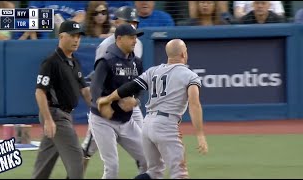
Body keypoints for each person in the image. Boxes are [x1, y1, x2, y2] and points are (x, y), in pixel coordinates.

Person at [97, 39, 209, 179]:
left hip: (147, 124)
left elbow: (129, 87)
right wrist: (200, 134)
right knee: (179, 173)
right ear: (183, 54)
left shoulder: (153, 71)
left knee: (154, 172)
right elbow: (195, 104)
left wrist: (107, 99)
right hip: (167, 125)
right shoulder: (190, 76)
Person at [81, 6, 145, 174]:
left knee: (147, 153)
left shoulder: (137, 49)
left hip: (127, 111)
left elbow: (138, 82)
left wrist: (135, 99)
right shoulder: (106, 50)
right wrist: (102, 103)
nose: (134, 29)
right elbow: (98, 81)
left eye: (135, 23)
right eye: (129, 23)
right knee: (91, 150)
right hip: (105, 111)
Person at [32, 20, 91, 179]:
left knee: (44, 163)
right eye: (72, 36)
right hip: (55, 115)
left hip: (63, 115)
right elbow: (40, 92)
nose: (76, 40)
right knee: (77, 158)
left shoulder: (74, 61)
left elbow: (84, 90)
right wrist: (49, 120)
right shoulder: (51, 62)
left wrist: (96, 107)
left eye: (79, 36)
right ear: (61, 36)